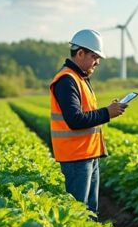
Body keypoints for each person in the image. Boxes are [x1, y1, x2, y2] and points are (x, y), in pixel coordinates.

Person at [49, 29, 127, 213]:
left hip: (87, 155)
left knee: (90, 212)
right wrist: (107, 113)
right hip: (76, 157)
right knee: (79, 214)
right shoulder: (66, 80)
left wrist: (108, 110)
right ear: (80, 53)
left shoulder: (80, 78)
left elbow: (86, 113)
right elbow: (75, 120)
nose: (97, 62)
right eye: (94, 56)